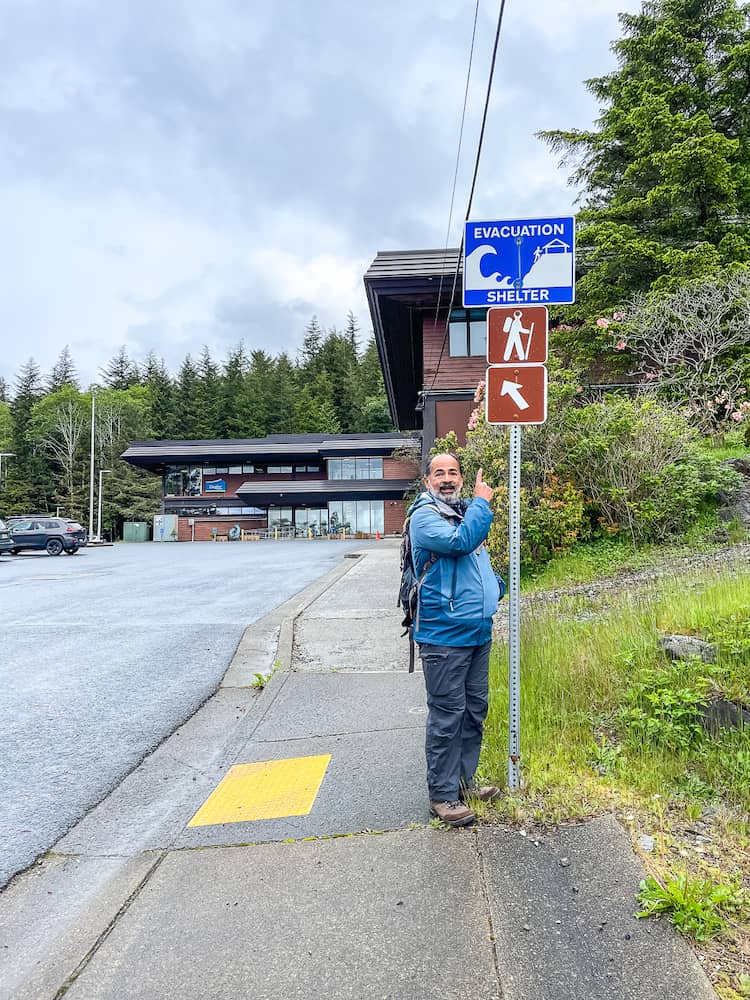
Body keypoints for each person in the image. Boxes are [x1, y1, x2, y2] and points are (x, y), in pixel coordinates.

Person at [407, 452, 501, 827]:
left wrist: (494, 590)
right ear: (427, 480)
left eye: (454, 473)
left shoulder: (462, 511)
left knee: (474, 711)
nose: (447, 479)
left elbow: (475, 562)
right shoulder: (425, 517)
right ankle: (443, 795)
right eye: (439, 473)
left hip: (477, 632)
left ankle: (464, 781)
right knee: (448, 716)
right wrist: (483, 501)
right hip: (444, 636)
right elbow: (461, 543)